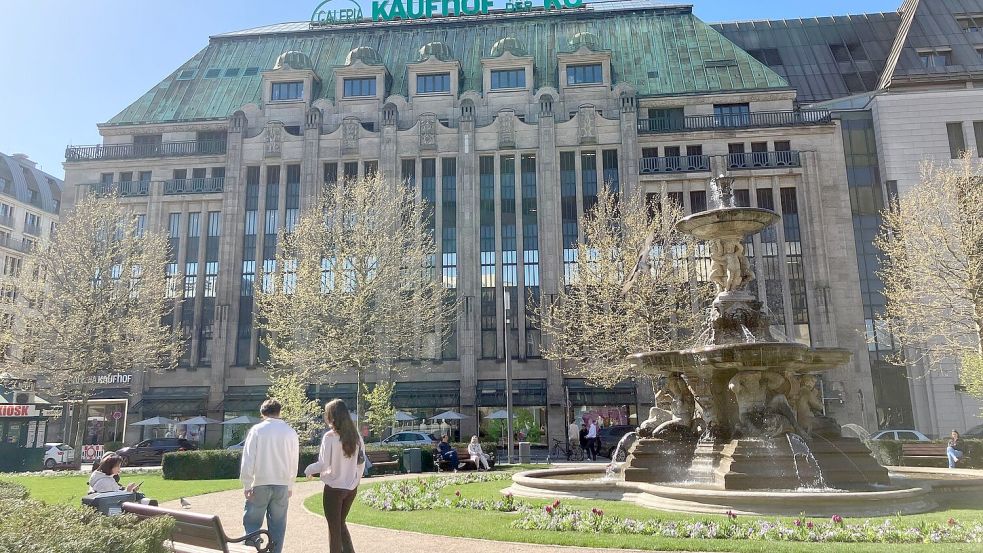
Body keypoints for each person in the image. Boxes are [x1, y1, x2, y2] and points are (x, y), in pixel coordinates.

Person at [305, 399, 365, 553]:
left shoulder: (330, 437)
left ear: (331, 416)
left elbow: (323, 464)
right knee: (340, 524)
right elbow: (361, 463)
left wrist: (308, 470)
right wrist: (355, 481)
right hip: (351, 488)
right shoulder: (356, 436)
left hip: (334, 489)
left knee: (334, 528)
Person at [240, 399, 300, 553]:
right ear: (279, 412)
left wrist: (247, 484)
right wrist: (290, 485)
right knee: (278, 526)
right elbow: (294, 462)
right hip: (281, 484)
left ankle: (251, 550)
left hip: (260, 482)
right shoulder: (290, 432)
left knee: (252, 524)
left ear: (262, 413)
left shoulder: (257, 430)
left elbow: (248, 459)